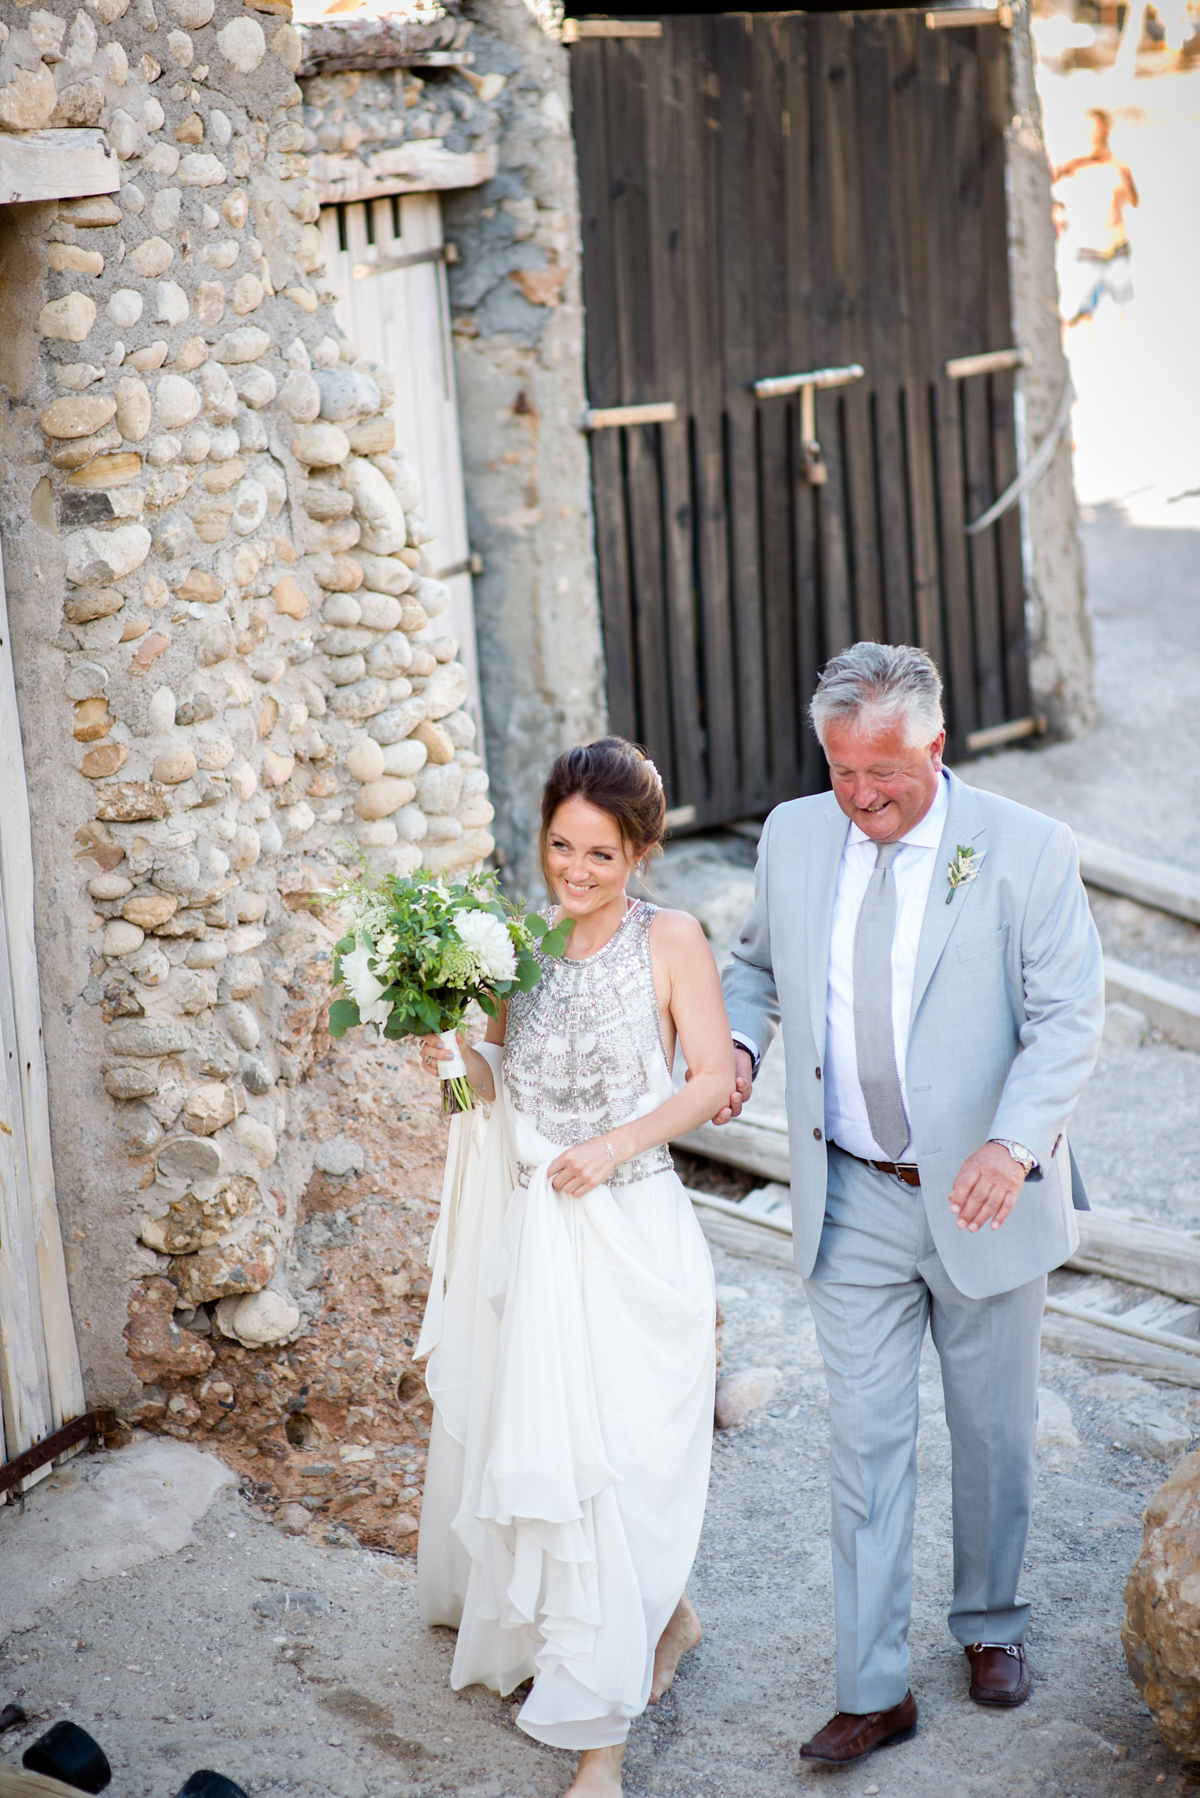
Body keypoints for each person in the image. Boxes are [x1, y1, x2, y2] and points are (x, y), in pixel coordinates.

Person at [717, 643, 1105, 1767]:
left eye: (884, 771)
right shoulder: (794, 834)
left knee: (992, 1431)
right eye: (843, 771)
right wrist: (741, 1044)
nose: (862, 795)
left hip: (989, 1195)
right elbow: (754, 968)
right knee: (866, 1441)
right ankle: (872, 1685)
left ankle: (991, 1622)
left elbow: (1069, 1015)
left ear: (936, 744)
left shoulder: (1027, 849)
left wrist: (1013, 1142)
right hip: (851, 1193)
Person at [413, 738, 734, 1798]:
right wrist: (449, 1064)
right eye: (561, 845)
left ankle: (607, 1738)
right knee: (569, 1471)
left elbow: (710, 1078)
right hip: (538, 1247)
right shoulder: (521, 943)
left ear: (640, 851)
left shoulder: (672, 939)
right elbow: (481, 1109)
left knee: (624, 1475)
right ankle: (622, 1695)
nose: (576, 870)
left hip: (635, 1239)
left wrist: (615, 1145)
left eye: (600, 852)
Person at [1053, 108, 1139, 328]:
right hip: (1086, 252)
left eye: (1097, 128)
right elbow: (1052, 195)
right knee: (1078, 317)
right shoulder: (1072, 167)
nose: (1093, 133)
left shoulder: (1118, 167)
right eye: (1088, 128)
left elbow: (1134, 203)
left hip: (1116, 249)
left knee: (1124, 316)